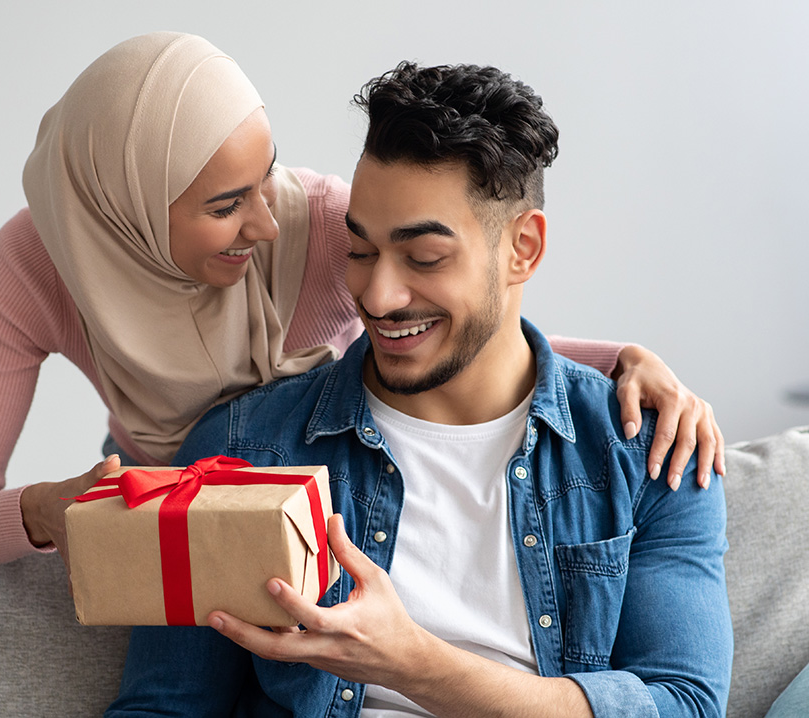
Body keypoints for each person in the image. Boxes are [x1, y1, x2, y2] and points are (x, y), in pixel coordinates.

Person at [0, 33, 723, 571]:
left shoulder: (328, 223)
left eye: (267, 175)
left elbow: (449, 319)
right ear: (125, 209)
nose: (266, 222)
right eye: (226, 204)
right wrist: (52, 513)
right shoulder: (36, 261)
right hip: (173, 516)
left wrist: (622, 361)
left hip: (331, 485)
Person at [107, 60, 732, 717]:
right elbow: (163, 707)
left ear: (522, 248)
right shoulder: (244, 449)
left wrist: (413, 665)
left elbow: (686, 703)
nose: (377, 296)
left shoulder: (649, 451)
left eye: (423, 258)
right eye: (360, 251)